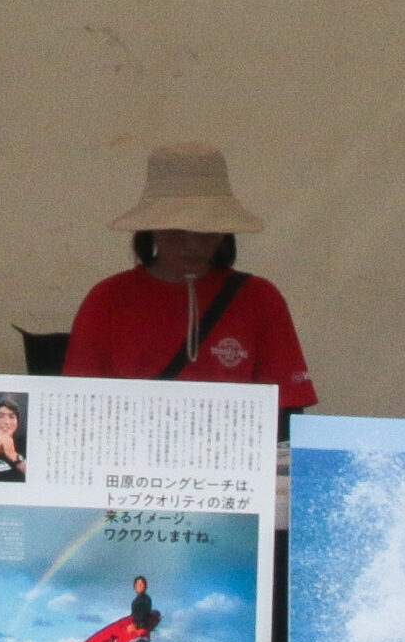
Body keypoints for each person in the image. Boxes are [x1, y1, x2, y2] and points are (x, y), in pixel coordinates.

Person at [62, 143, 317, 431]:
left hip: (232, 451)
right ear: (152, 228)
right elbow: (77, 408)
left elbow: (287, 411)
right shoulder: (108, 299)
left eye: (206, 231)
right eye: (177, 231)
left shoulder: (259, 298)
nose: (192, 244)